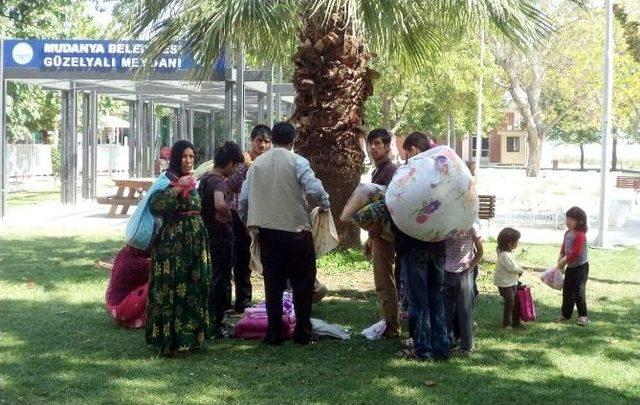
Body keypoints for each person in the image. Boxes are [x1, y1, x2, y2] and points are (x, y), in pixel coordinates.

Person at [239, 122, 330, 345]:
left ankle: (274, 333)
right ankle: (302, 332)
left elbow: (243, 199)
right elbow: (313, 187)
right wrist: (325, 204)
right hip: (296, 231)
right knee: (303, 283)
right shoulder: (298, 161)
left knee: (273, 284)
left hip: (268, 233)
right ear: (293, 140)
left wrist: (247, 221)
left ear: (273, 139)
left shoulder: (257, 164)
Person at [145, 140, 212, 355]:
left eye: (191, 156)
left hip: (194, 245)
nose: (188, 160)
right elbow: (154, 205)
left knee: (194, 288)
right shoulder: (167, 180)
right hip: (173, 247)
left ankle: (191, 339)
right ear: (175, 158)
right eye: (184, 156)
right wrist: (177, 188)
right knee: (174, 289)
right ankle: (171, 341)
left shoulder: (194, 180)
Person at [394, 131, 449, 361]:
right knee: (436, 297)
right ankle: (442, 347)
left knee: (418, 300)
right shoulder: (443, 172)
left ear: (414, 150)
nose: (406, 157)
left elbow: (394, 200)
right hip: (438, 245)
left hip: (413, 245)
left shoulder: (411, 172)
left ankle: (423, 349)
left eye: (406, 153)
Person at [199, 141, 244, 335]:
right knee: (222, 278)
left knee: (212, 276)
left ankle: (209, 319)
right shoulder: (217, 181)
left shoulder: (204, 177)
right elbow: (219, 203)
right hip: (220, 235)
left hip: (207, 233)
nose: (234, 171)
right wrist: (228, 214)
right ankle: (218, 323)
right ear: (230, 163)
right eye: (235, 166)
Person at [225, 125, 272, 312]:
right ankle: (243, 302)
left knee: (267, 258)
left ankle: (273, 301)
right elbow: (229, 185)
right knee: (242, 259)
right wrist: (245, 166)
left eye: (267, 141)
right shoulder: (241, 161)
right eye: (259, 140)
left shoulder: (270, 162)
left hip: (263, 217)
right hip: (239, 217)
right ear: (252, 141)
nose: (263, 145)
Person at [365, 128, 401, 338]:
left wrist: (375, 231)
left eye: (378, 143)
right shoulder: (378, 170)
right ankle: (388, 321)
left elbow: (388, 205)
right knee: (382, 280)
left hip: (386, 235)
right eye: (371, 144)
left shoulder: (390, 170)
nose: (373, 148)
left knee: (385, 281)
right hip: (377, 234)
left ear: (387, 147)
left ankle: (392, 326)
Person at [443, 223, 483, 356]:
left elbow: (480, 251)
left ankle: (465, 345)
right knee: (449, 309)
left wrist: (470, 267)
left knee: (464, 310)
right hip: (449, 272)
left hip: (462, 272)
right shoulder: (445, 224)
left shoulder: (470, 225)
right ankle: (452, 342)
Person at [554, 206, 590, 326]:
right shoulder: (568, 233)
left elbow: (576, 253)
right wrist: (561, 257)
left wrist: (564, 261)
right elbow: (564, 247)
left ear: (580, 221)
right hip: (570, 266)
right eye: (567, 218)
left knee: (579, 292)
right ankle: (566, 314)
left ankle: (583, 316)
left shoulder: (580, 235)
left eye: (572, 220)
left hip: (581, 267)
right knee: (567, 291)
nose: (568, 222)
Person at [493, 227, 524, 330]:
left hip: (510, 282)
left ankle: (516, 322)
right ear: (510, 243)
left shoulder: (507, 254)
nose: (517, 243)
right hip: (506, 284)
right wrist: (520, 270)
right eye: (516, 241)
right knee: (510, 303)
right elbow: (512, 267)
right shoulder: (505, 255)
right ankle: (507, 324)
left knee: (514, 302)